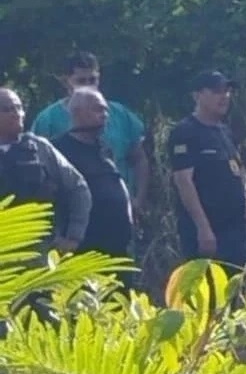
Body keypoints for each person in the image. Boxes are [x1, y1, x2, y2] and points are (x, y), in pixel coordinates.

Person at [31, 51, 150, 213]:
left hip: (118, 207)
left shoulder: (120, 114)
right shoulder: (48, 119)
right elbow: (39, 169)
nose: (88, 85)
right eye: (81, 81)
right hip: (72, 210)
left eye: (93, 80)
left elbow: (139, 158)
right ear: (66, 82)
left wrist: (138, 200)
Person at [167, 71, 246, 276]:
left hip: (235, 229)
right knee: (209, 288)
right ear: (197, 96)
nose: (224, 96)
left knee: (236, 287)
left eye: (227, 91)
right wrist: (203, 228)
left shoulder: (224, 131)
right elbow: (184, 182)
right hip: (208, 231)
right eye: (216, 91)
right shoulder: (185, 132)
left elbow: (238, 165)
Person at [51, 89, 134, 283]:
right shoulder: (57, 150)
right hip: (82, 251)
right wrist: (58, 239)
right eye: (98, 110)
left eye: (105, 110)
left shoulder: (103, 148)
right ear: (77, 112)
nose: (104, 115)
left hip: (117, 250)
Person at [0, 87, 92, 253]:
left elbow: (78, 188)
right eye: (7, 109)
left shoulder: (40, 148)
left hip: (39, 249)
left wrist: (73, 237)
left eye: (19, 107)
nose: (16, 114)